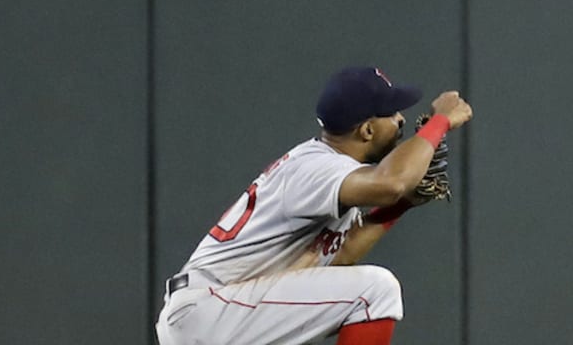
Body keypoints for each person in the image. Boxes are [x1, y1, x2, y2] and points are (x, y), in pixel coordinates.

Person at [155, 67, 473, 345]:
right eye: (391, 113)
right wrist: (440, 121)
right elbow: (392, 183)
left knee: (362, 292)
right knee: (375, 290)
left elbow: (340, 254)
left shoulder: (334, 173)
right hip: (210, 309)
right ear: (367, 130)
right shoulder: (316, 169)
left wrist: (399, 207)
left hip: (221, 312)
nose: (401, 119)